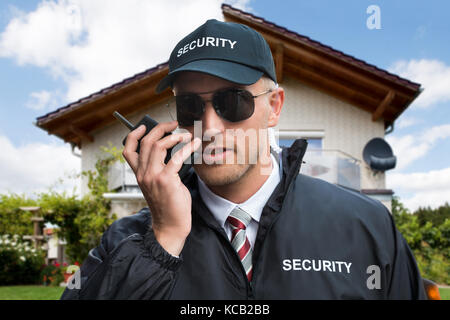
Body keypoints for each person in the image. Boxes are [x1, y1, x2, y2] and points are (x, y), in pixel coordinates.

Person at [61, 19, 426, 300]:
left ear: (274, 107)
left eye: (233, 102)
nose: (210, 126)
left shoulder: (365, 226)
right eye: (190, 106)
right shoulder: (127, 241)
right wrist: (162, 242)